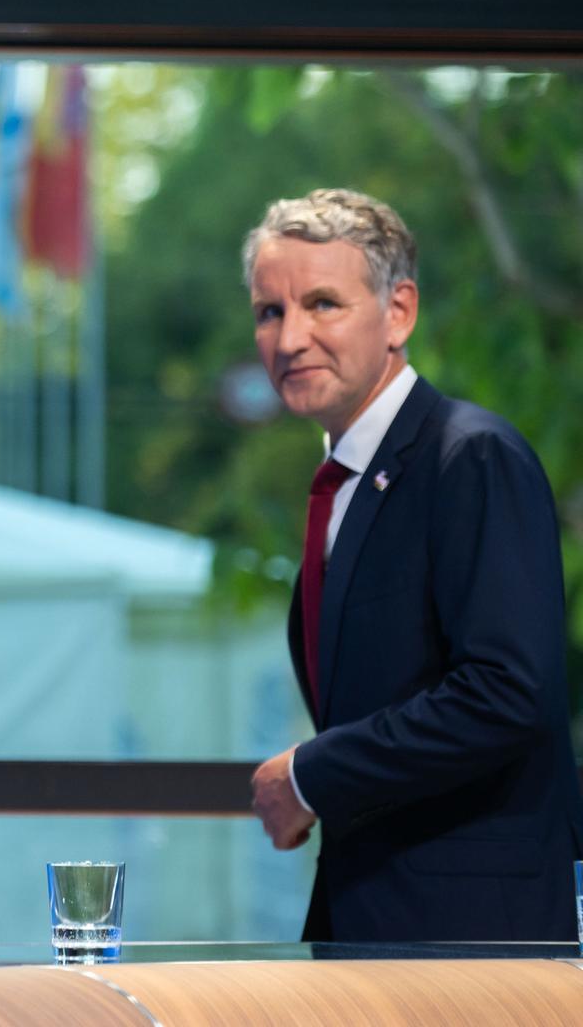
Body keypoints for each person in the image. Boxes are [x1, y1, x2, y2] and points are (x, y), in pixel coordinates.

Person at [243, 187, 583, 941]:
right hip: (375, 929)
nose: (290, 338)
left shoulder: (472, 456)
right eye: (270, 312)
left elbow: (505, 693)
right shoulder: (346, 485)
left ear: (398, 312)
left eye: (322, 304)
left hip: (476, 945)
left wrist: (310, 776)